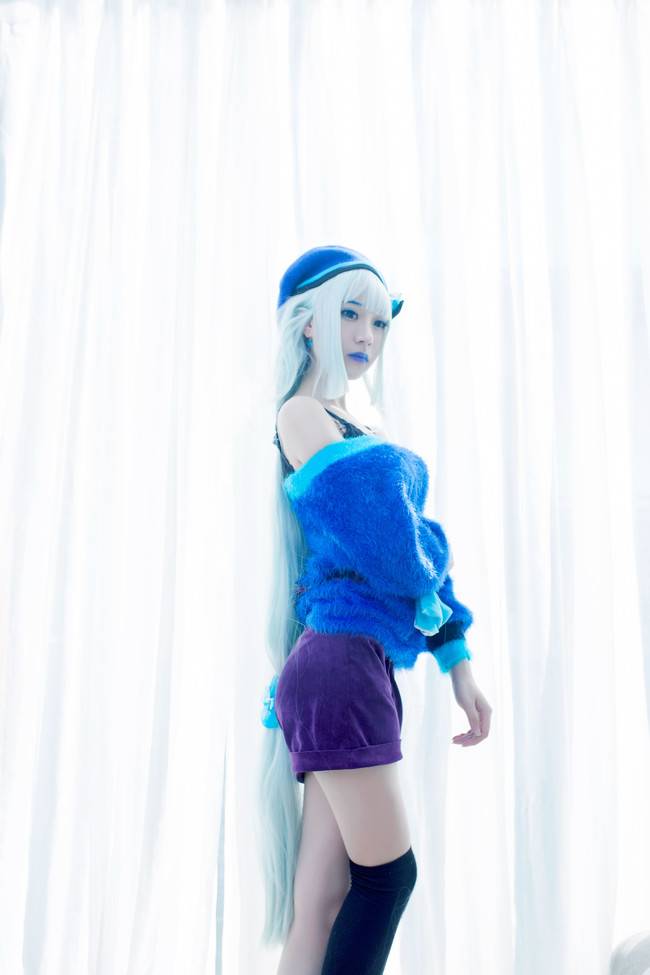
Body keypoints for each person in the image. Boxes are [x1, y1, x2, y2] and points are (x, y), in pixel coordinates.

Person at [257, 245, 492, 974]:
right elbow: (395, 547)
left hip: (350, 663)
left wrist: (458, 661)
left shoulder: (344, 423)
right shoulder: (301, 414)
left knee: (323, 901)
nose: (367, 334)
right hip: (340, 665)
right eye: (350, 315)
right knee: (389, 879)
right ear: (309, 323)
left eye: (381, 322)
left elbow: (401, 548)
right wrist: (430, 548)